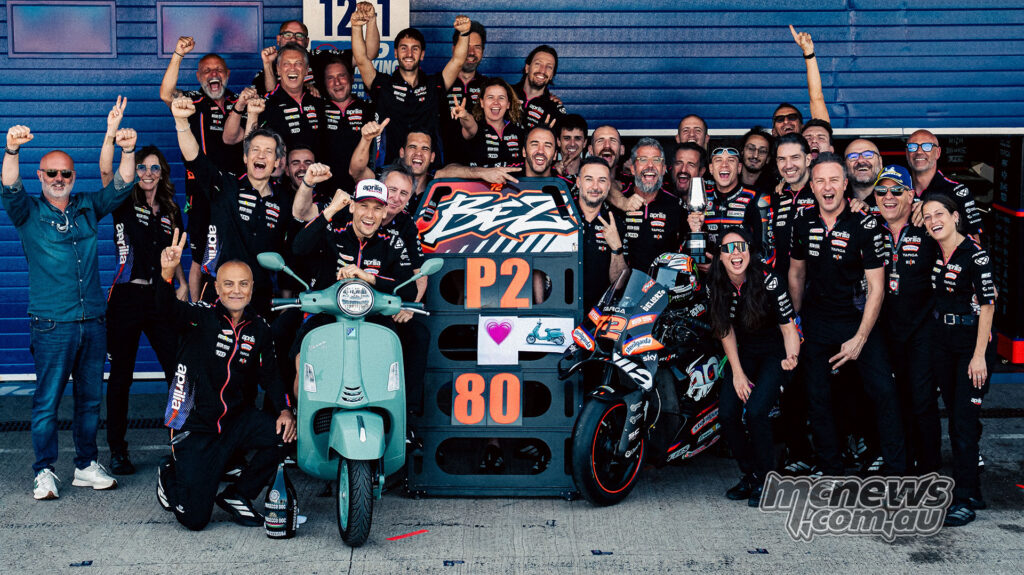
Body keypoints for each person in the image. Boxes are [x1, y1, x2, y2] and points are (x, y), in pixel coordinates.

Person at [2, 100, 137, 499]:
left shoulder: (87, 207)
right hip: (51, 323)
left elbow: (122, 184)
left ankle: (84, 466)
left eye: (65, 173)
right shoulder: (26, 212)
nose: (58, 178)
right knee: (47, 402)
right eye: (51, 173)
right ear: (40, 176)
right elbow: (9, 184)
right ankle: (43, 471)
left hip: (92, 320)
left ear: (74, 177)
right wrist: (12, 150)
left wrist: (127, 148)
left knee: (90, 400)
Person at [154, 230, 296, 531]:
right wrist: (167, 276)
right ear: (217, 287)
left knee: (286, 435)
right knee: (195, 519)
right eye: (228, 284)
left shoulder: (259, 327)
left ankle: (238, 495)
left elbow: (272, 375)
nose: (236, 291)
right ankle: (169, 474)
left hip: (234, 421)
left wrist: (285, 411)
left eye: (243, 284)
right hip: (194, 425)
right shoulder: (200, 316)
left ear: (252, 287)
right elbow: (165, 311)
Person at [788, 153, 906, 478]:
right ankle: (830, 468)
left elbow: (877, 288)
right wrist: (794, 323)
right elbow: (796, 274)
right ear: (812, 186)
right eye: (820, 181)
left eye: (833, 180)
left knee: (883, 391)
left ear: (844, 184)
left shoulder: (865, 224)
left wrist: (860, 338)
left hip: (859, 321)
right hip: (817, 321)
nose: (827, 187)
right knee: (817, 394)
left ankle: (896, 470)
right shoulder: (802, 222)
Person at [101, 141, 186, 475]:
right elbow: (106, 170)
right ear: (133, 171)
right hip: (126, 298)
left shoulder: (171, 209)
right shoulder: (123, 199)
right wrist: (112, 135)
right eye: (141, 167)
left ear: (162, 172)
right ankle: (117, 451)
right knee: (121, 377)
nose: (148, 173)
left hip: (160, 298)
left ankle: (183, 444)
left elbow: (174, 251)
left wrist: (182, 284)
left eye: (154, 167)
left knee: (177, 370)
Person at [171, 96, 289, 314]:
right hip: (218, 292)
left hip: (259, 296)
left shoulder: (283, 200)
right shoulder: (225, 186)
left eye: (268, 152)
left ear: (276, 162)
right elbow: (195, 159)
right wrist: (181, 122)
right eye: (255, 150)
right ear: (245, 157)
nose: (261, 155)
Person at [710, 227, 800, 507]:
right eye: (728, 248)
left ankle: (768, 478)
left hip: (775, 353)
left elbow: (788, 328)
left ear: (749, 250)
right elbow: (725, 330)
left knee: (757, 412)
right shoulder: (716, 282)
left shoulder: (769, 280)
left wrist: (792, 358)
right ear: (720, 256)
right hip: (744, 353)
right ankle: (751, 475)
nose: (735, 254)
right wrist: (737, 373)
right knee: (727, 414)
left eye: (740, 246)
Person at [921, 195, 996, 527]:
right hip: (943, 343)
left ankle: (964, 497)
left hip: (971, 347)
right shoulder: (936, 251)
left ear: (955, 216)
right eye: (927, 217)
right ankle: (972, 489)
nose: (933, 221)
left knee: (963, 424)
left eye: (939, 214)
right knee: (956, 416)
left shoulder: (975, 255)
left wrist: (978, 357)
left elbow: (988, 306)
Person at [159, 37, 244, 302]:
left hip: (236, 189)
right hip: (201, 189)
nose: (213, 74)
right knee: (199, 256)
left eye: (218, 70)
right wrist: (178, 54)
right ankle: (196, 311)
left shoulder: (239, 101)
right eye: (207, 71)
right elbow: (165, 94)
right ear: (198, 77)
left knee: (239, 249)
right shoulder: (191, 100)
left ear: (227, 74)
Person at [873, 165, 942, 477]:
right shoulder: (870, 227)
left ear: (911, 194)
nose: (888, 196)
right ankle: (900, 465)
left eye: (897, 190)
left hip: (923, 328)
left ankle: (929, 470)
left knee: (922, 399)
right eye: (882, 191)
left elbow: (963, 247)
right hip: (885, 329)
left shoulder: (927, 226)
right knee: (892, 398)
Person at [352, 8, 472, 166]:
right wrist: (356, 27)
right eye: (404, 48)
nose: (409, 54)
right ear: (396, 53)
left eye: (415, 49)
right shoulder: (382, 84)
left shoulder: (434, 85)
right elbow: (361, 60)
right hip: (390, 169)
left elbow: (457, 61)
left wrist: (464, 33)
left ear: (422, 54)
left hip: (427, 170)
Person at [225, 44, 326, 158]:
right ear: (278, 69)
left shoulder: (317, 100)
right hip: (278, 169)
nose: (292, 68)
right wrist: (239, 106)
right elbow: (230, 139)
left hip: (315, 169)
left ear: (306, 70)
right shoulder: (265, 103)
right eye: (286, 64)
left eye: (298, 63)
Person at [687, 146, 765, 272]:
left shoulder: (755, 198)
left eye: (731, 160)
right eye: (718, 160)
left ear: (739, 168)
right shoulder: (700, 197)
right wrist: (696, 229)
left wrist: (721, 267)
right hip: (707, 278)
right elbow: (684, 250)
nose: (724, 165)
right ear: (711, 169)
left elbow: (765, 253)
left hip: (743, 278)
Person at [615, 138, 683, 272]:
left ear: (663, 169)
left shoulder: (676, 206)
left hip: (662, 283)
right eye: (643, 160)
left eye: (656, 160)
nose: (650, 165)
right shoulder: (618, 202)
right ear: (633, 168)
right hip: (623, 283)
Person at [906, 129, 983, 240]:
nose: (919, 151)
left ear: (938, 153)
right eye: (912, 147)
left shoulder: (957, 192)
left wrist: (933, 209)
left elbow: (975, 241)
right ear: (907, 153)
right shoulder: (898, 191)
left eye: (927, 146)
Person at [577, 157, 627, 310]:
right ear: (578, 182)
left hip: (599, 315)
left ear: (609, 185)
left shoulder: (617, 223)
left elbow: (619, 284)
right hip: (562, 312)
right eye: (589, 179)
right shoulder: (562, 217)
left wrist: (616, 248)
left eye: (602, 180)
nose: (595, 186)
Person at [320, 55, 375, 196]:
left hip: (361, 191)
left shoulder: (368, 109)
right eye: (330, 78)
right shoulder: (317, 109)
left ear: (351, 78)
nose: (337, 82)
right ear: (324, 83)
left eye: (341, 76)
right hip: (325, 191)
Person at [439, 20, 489, 167]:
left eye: (477, 47)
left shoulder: (489, 86)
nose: (471, 52)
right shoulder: (439, 83)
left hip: (481, 166)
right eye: (466, 46)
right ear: (455, 49)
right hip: (443, 165)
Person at [449, 77, 525, 168]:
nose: (496, 102)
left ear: (508, 104)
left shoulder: (517, 129)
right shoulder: (477, 127)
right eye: (490, 97)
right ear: (482, 103)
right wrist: (465, 116)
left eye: (501, 98)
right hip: (479, 177)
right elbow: (469, 126)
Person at [771, 25, 831, 137]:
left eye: (792, 117)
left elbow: (816, 98)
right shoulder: (768, 148)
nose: (786, 122)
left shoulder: (813, 144)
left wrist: (809, 53)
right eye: (780, 119)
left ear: (802, 126)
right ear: (773, 131)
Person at [513, 45, 567, 130]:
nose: (542, 70)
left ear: (552, 75)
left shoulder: (555, 108)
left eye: (549, 67)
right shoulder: (506, 94)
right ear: (527, 68)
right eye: (538, 64)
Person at [739, 127, 775, 197]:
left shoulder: (774, 189)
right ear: (742, 151)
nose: (755, 155)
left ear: (768, 158)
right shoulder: (728, 181)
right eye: (751, 148)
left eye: (762, 151)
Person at [553, 114, 588, 184]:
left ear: (584, 143)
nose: (572, 144)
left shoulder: (592, 171)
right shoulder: (549, 172)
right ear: (558, 141)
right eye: (567, 138)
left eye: (577, 138)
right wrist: (554, 174)